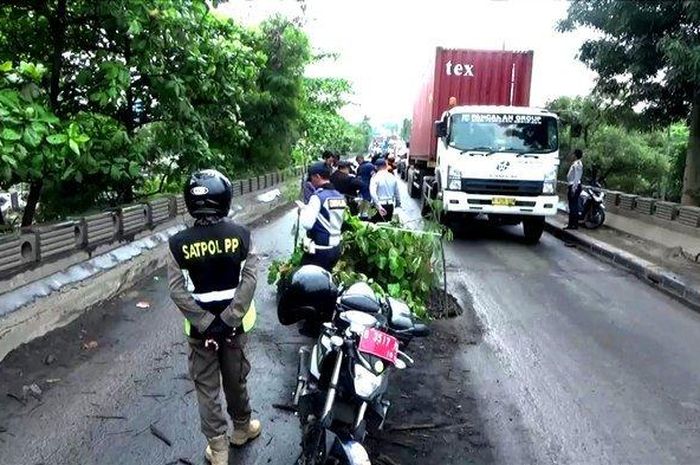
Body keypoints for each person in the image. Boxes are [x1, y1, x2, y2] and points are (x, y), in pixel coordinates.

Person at [167, 169, 261, 465]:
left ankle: (218, 450)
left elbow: (176, 290)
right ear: (224, 199)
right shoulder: (242, 236)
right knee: (236, 379)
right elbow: (250, 279)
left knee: (207, 388)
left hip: (200, 334)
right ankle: (242, 429)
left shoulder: (177, 244)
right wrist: (229, 320)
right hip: (235, 330)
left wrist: (207, 323)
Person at [298, 162, 347, 270]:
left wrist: (302, 211)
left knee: (306, 280)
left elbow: (307, 224)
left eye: (311, 178)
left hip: (320, 250)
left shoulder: (318, 197)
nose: (311, 181)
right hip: (336, 249)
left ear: (317, 176)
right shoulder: (340, 196)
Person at [369, 158, 401, 222]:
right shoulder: (392, 177)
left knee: (377, 226)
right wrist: (398, 203)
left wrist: (378, 206)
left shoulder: (375, 177)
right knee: (387, 225)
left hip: (379, 205)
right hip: (390, 205)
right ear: (386, 166)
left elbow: (372, 192)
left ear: (376, 167)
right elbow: (397, 192)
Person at [566, 149, 584, 230]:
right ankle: (573, 224)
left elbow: (577, 177)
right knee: (573, 206)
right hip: (573, 185)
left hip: (574, 186)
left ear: (575, 155)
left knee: (573, 206)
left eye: (573, 154)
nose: (572, 156)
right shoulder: (576, 164)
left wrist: (573, 188)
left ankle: (572, 224)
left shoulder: (577, 164)